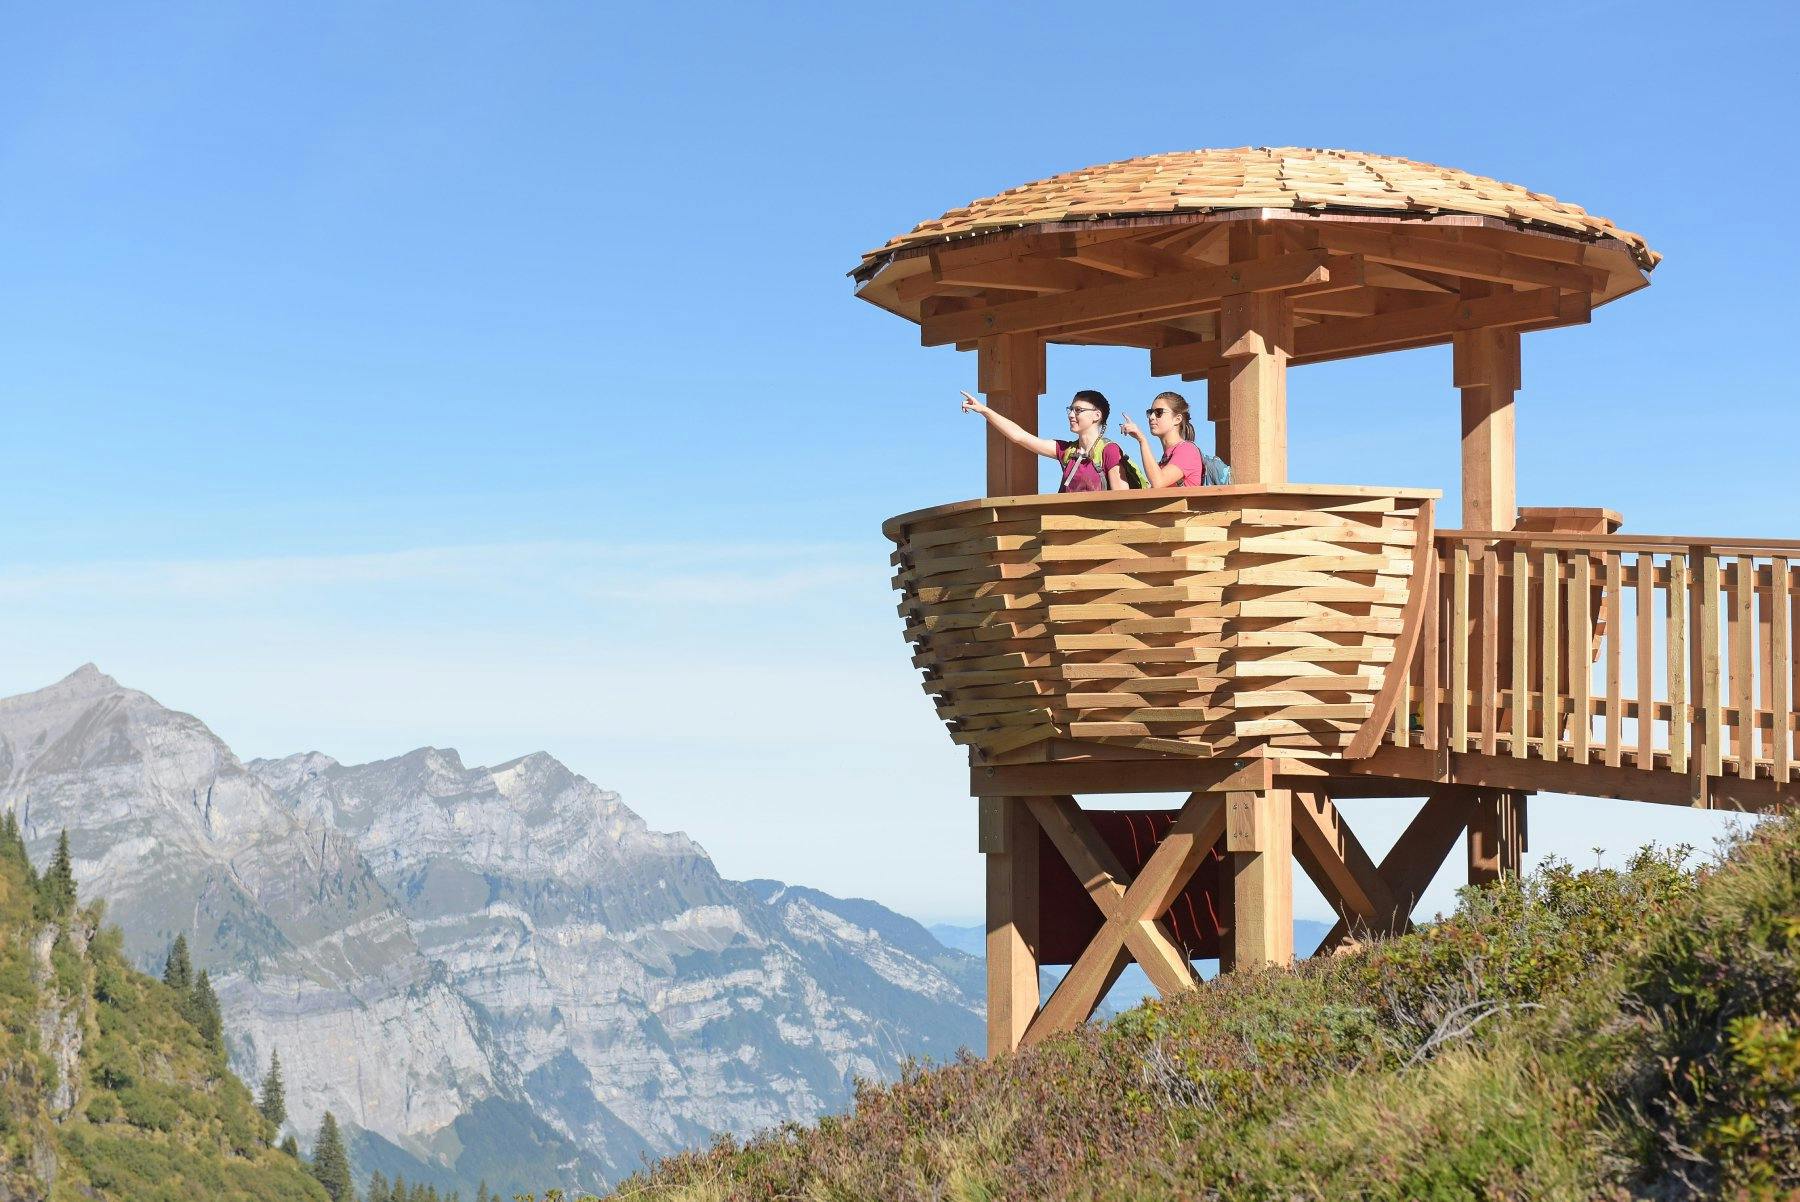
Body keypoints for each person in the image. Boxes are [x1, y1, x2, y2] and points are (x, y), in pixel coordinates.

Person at [959, 388, 1127, 492]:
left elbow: (1122, 498)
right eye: (1070, 409)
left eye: (1078, 410)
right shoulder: (1066, 451)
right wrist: (983, 410)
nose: (1070, 415)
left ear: (1097, 415)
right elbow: (1019, 436)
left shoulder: (1110, 450)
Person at [1119, 391, 1208, 487]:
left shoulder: (1188, 450)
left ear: (1177, 419)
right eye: (1150, 412)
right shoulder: (1166, 458)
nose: (1151, 417)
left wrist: (1142, 440)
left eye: (1159, 412)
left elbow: (1158, 482)